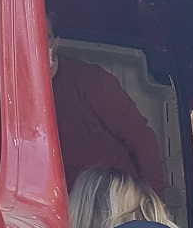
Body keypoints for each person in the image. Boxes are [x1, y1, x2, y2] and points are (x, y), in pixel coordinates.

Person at [49, 14, 167, 193]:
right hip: (69, 201)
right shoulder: (15, 95)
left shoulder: (91, 80)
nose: (35, 45)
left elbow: (141, 138)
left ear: (56, 41)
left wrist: (154, 198)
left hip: (118, 196)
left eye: (43, 37)